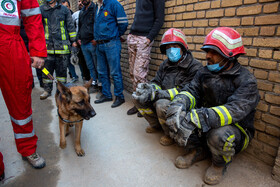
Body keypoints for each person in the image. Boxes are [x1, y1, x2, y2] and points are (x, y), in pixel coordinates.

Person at [165, 27, 260, 185]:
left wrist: (200, 117)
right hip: (207, 122)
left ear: (230, 55)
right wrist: (179, 103)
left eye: (214, 52)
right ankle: (198, 151)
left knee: (218, 135)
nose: (207, 55)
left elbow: (233, 111)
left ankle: (219, 164)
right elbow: (191, 91)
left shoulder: (246, 81)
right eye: (207, 51)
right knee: (179, 116)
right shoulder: (204, 73)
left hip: (236, 129)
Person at [0, 0, 47, 180]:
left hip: (10, 45)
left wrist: (37, 50)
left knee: (20, 103)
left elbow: (33, 16)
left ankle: (27, 148)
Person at [132, 29, 202, 146]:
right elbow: (157, 81)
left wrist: (157, 94)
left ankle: (169, 133)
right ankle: (156, 125)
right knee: (138, 97)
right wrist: (149, 88)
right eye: (168, 47)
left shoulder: (194, 67)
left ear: (183, 48)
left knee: (161, 104)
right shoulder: (165, 64)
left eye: (175, 46)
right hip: (162, 97)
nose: (171, 50)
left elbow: (185, 91)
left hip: (182, 104)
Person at [127, 0, 165, 116]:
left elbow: (159, 19)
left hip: (144, 38)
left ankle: (143, 105)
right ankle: (137, 103)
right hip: (133, 36)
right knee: (133, 74)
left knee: (140, 74)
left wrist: (149, 38)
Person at [39, 0, 77, 100]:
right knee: (46, 71)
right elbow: (38, 28)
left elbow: (70, 27)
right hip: (48, 48)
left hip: (62, 48)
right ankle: (47, 90)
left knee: (62, 74)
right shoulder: (41, 10)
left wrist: (74, 42)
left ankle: (61, 91)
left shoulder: (64, 10)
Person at [94, 0, 128, 108]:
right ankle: (107, 94)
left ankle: (119, 96)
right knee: (102, 72)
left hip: (111, 43)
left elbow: (123, 23)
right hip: (99, 45)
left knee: (115, 72)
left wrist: (116, 35)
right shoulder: (98, 6)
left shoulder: (114, 4)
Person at [77, 0, 99, 92]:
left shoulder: (95, 9)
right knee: (90, 66)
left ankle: (100, 85)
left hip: (92, 42)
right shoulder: (82, 11)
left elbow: (97, 25)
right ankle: (94, 83)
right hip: (84, 43)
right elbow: (80, 26)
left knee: (97, 65)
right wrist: (78, 38)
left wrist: (96, 38)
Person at [61, 0, 81, 84]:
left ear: (69, 7)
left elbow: (75, 30)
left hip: (75, 42)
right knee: (69, 62)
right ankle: (74, 76)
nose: (65, 9)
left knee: (78, 60)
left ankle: (84, 76)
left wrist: (74, 41)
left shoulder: (74, 16)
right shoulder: (60, 17)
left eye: (66, 7)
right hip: (65, 43)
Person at [72, 0, 91, 82]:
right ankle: (85, 77)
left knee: (91, 63)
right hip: (79, 42)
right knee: (82, 62)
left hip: (90, 41)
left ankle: (92, 80)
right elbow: (73, 28)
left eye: (81, 1)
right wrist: (75, 40)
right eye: (79, 1)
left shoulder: (92, 10)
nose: (80, 3)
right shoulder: (75, 15)